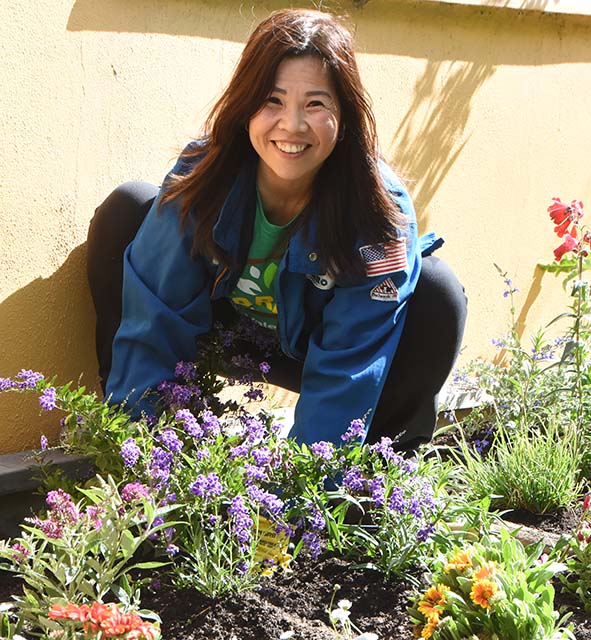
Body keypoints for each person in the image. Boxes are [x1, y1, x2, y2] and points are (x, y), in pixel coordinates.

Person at [87, 8, 467, 451]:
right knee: (129, 209)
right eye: (272, 100)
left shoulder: (377, 213)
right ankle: (133, 432)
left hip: (312, 349)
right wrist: (134, 459)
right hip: (222, 330)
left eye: (315, 104)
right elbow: (154, 316)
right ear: (245, 104)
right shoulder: (204, 171)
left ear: (344, 115)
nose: (292, 125)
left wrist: (302, 499)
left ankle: (374, 483)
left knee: (438, 292)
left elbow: (350, 365)